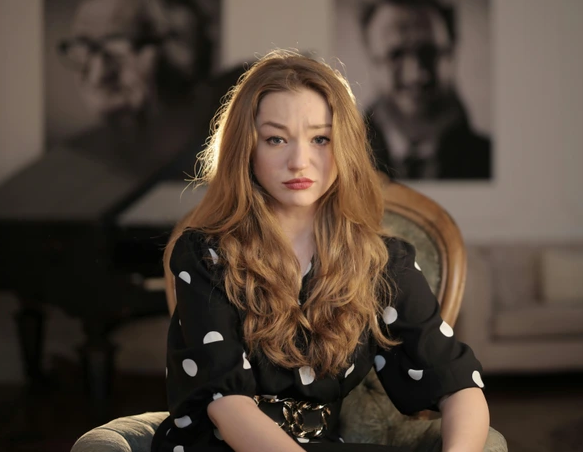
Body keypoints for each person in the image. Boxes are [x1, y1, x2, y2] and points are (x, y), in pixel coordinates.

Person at [151, 51, 489, 451]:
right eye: (276, 139)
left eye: (320, 139)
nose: (299, 161)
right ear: (246, 148)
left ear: (345, 146)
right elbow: (228, 406)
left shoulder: (381, 262)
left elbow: (458, 383)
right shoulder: (206, 254)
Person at [56, 0, 216, 139]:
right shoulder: (76, 151)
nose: (98, 75)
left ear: (183, 52)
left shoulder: (222, 143)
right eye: (84, 48)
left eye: (117, 47)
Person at [359, 0, 492, 180]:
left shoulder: (488, 161)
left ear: (452, 53)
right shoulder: (340, 162)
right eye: (395, 55)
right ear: (371, 60)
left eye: (429, 52)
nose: (416, 75)